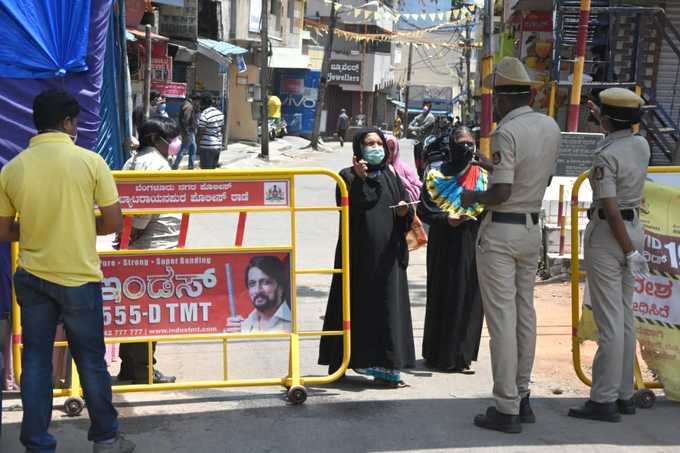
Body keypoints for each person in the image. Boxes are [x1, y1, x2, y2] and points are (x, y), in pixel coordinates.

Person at [0, 90, 134, 452]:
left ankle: (37, 442)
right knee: (91, 361)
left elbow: (3, 230)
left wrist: (36, 230)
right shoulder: (91, 163)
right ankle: (106, 439)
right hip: (78, 279)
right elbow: (112, 223)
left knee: (37, 360)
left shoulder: (12, 169)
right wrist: (75, 224)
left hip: (33, 277)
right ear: (67, 123)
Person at [460, 57, 561, 433]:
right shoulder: (550, 126)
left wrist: (473, 199)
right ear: (530, 94)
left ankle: (505, 407)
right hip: (531, 228)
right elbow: (540, 177)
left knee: (502, 322)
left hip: (501, 233)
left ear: (502, 99)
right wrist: (491, 166)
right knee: (525, 315)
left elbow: (501, 193)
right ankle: (522, 395)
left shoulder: (506, 132)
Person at [568, 88, 649, 423]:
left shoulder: (606, 156)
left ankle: (603, 400)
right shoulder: (640, 144)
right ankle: (624, 394)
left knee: (610, 321)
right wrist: (632, 250)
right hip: (634, 230)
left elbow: (612, 210)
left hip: (610, 235)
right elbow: (615, 132)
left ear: (609, 118)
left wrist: (627, 251)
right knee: (626, 317)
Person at [319, 128, 416, 387]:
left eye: (378, 143)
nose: (375, 147)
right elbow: (349, 207)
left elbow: (403, 207)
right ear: (358, 149)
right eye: (368, 143)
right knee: (354, 305)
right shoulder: (346, 177)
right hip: (358, 256)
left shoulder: (390, 175)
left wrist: (404, 211)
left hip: (389, 256)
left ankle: (386, 368)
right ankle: (347, 362)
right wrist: (360, 180)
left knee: (386, 307)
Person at [117, 117, 181, 385]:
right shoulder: (155, 164)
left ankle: (130, 368)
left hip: (135, 247)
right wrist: (134, 231)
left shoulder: (131, 161)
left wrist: (127, 236)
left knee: (133, 309)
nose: (175, 144)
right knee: (148, 312)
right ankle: (144, 369)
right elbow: (143, 211)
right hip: (154, 247)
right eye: (171, 138)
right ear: (156, 139)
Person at [419, 126, 488, 373]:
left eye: (471, 143)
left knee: (467, 297)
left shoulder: (483, 176)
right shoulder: (437, 175)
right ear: (450, 144)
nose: (467, 147)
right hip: (442, 243)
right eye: (461, 142)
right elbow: (424, 208)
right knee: (442, 294)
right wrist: (446, 219)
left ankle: (461, 355)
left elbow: (494, 203)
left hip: (472, 243)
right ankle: (436, 353)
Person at [225, 256, 291, 332]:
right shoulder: (244, 326)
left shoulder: (294, 321)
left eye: (265, 282)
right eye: (252, 284)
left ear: (280, 288)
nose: (257, 290)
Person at [386, 135, 421, 202]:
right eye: (387, 149)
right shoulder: (380, 168)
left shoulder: (403, 167)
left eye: (392, 149)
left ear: (396, 150)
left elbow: (416, 182)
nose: (389, 152)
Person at [172, 93, 201, 170]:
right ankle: (175, 166)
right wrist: (187, 132)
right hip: (188, 131)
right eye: (198, 101)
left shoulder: (187, 104)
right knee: (184, 148)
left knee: (193, 148)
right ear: (196, 100)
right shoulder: (189, 106)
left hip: (189, 131)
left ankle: (190, 166)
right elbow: (185, 120)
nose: (198, 103)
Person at [197, 93, 224, 169]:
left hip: (207, 147)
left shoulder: (204, 114)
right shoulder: (219, 113)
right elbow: (221, 130)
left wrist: (197, 143)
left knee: (206, 172)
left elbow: (200, 132)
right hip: (217, 146)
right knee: (213, 172)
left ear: (203, 102)